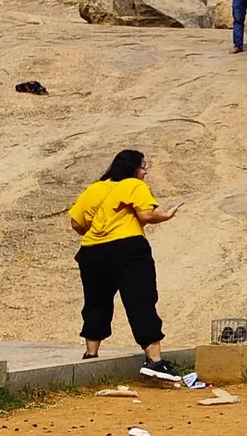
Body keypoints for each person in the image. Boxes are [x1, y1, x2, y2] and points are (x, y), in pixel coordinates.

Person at [68, 149, 183, 381]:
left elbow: (76, 222)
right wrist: (167, 215)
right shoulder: (134, 185)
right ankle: (154, 361)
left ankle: (91, 355)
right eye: (143, 167)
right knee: (141, 300)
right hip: (128, 248)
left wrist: (96, 232)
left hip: (92, 251)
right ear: (133, 168)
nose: (145, 173)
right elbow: (145, 216)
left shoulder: (94, 188)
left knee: (96, 301)